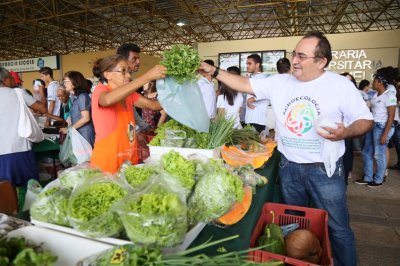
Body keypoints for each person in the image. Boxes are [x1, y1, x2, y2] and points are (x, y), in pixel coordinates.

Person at [198, 31, 373, 266]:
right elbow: (243, 83)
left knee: (338, 227)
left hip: (325, 170)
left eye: (302, 56)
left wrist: (345, 132)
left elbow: (365, 120)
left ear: (321, 61)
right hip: (289, 168)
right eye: (294, 54)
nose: (295, 60)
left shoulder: (339, 85)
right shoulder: (280, 82)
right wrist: (216, 71)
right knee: (295, 228)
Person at [90, 54, 166, 173]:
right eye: (123, 71)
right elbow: (107, 100)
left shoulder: (129, 94)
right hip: (108, 161)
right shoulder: (101, 90)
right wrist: (146, 77)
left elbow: (154, 105)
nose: (129, 76)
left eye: (129, 71)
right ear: (107, 75)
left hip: (129, 158)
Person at [0, 67, 47, 188]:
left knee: (6, 193)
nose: (14, 81)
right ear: (5, 80)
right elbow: (42, 109)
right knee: (29, 188)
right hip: (20, 148)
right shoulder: (18, 92)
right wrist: (41, 92)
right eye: (11, 78)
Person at [355, 67, 398, 186]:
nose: (372, 83)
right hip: (373, 125)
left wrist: (385, 134)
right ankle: (368, 177)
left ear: (380, 82)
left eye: (374, 81)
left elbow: (391, 116)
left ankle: (378, 179)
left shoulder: (389, 96)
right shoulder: (375, 95)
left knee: (379, 154)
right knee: (366, 152)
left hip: (382, 127)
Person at [116, 43, 150, 132]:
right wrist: (138, 130)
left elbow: (131, 108)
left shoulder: (128, 82)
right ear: (123, 60)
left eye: (138, 58)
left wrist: (143, 127)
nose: (138, 62)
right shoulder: (117, 84)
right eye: (134, 59)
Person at [59, 71, 95, 147]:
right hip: (77, 132)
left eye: (66, 81)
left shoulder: (82, 97)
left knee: (86, 158)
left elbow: (86, 118)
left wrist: (69, 130)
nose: (64, 84)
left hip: (85, 134)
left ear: (75, 82)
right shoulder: (73, 97)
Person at [244, 54, 269, 133]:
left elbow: (266, 93)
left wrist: (252, 99)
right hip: (249, 118)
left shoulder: (263, 78)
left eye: (249, 63)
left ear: (257, 64)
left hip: (257, 119)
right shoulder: (251, 77)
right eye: (247, 64)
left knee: (254, 144)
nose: (247, 66)